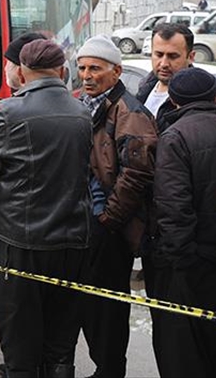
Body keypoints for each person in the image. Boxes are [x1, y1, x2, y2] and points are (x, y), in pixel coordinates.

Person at [0, 38, 92, 378]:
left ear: (20, 71)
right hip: (73, 237)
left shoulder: (9, 111)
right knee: (60, 341)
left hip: (21, 239)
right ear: (62, 71)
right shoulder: (82, 112)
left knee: (19, 338)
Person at [149, 68, 216, 378]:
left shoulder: (176, 136)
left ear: (173, 100)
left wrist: (181, 259)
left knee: (182, 356)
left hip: (189, 267)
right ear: (214, 96)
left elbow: (172, 206)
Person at [73, 35, 157, 378]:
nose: (87, 75)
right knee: (89, 307)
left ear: (116, 71)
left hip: (111, 228)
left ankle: (110, 371)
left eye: (95, 68)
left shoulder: (131, 112)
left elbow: (137, 175)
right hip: (88, 222)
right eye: (82, 68)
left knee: (106, 310)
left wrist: (108, 220)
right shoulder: (84, 103)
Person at [136, 22, 216, 128]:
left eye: (173, 56)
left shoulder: (203, 93)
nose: (164, 64)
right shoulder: (146, 85)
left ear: (190, 57)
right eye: (159, 55)